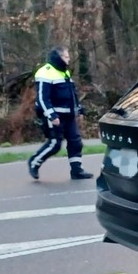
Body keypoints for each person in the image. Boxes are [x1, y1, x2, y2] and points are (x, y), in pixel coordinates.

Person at [27, 46, 92, 180]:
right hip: (54, 116)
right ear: (59, 57)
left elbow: (71, 94)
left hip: (68, 115)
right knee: (54, 144)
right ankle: (34, 162)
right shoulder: (45, 72)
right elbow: (42, 98)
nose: (69, 59)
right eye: (66, 56)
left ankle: (76, 171)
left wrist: (78, 108)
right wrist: (51, 115)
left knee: (75, 142)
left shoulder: (64, 72)